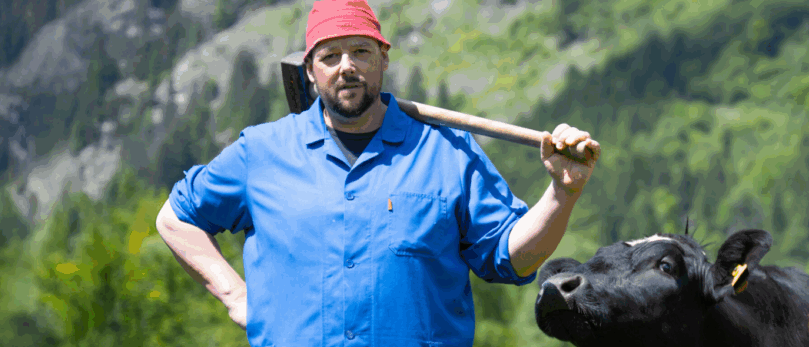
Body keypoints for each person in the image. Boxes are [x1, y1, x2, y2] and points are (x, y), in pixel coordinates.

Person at [154, 0, 601, 346]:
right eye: (330, 56)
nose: (346, 66)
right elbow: (176, 218)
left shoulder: (446, 152)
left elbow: (512, 256)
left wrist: (562, 193)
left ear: (383, 59)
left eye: (360, 51)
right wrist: (237, 298)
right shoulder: (262, 153)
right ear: (310, 72)